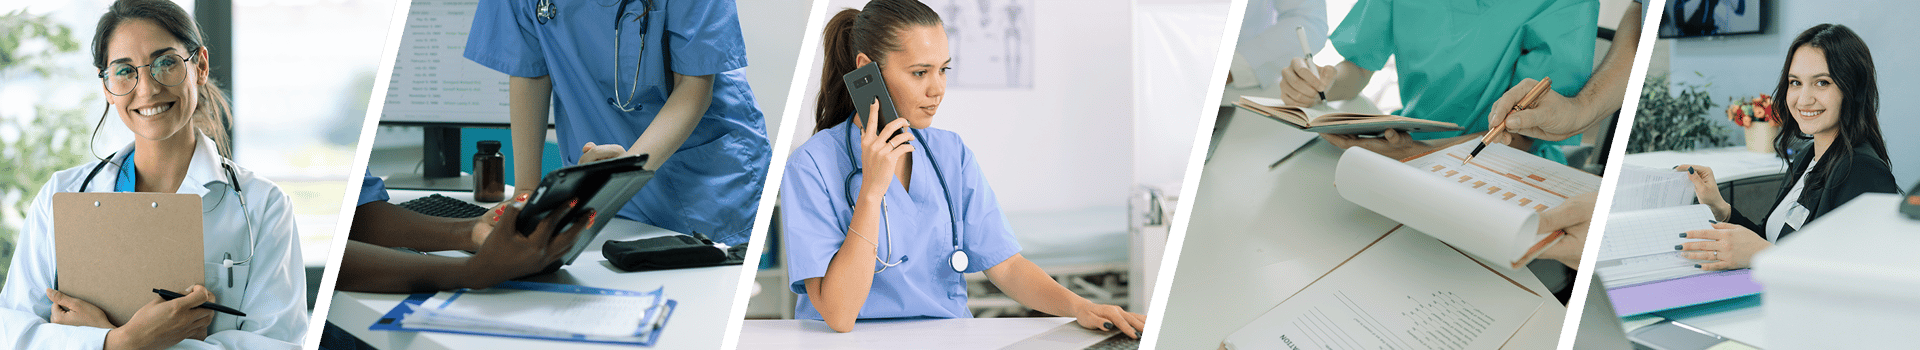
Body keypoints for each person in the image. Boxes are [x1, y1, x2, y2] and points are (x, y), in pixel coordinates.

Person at [779, 0, 1147, 338]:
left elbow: (1006, 266)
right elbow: (840, 316)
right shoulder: (811, 166)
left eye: (943, 70)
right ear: (867, 72)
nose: (937, 88)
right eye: (920, 72)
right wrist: (872, 191)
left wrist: (1081, 307)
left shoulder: (950, 152)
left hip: (948, 338)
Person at [0, 1, 306, 348]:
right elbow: (13, 333)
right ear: (106, 86)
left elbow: (277, 344)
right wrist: (122, 342)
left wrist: (111, 339)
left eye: (165, 63)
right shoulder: (63, 196)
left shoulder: (263, 207)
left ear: (200, 66)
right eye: (125, 71)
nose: (147, 89)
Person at [465, 0, 771, 247]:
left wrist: (621, 174)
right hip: (601, 179)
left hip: (701, 181)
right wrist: (527, 191)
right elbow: (529, 68)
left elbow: (693, 89)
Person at [1284, 0, 1646, 166]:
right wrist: (1324, 83)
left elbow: (1524, 135)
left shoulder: (1562, 4)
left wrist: (1418, 155)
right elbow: (1359, 66)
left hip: (1507, 160)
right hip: (1402, 142)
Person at [1676, 24, 1899, 271]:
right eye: (1795, 82)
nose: (1803, 98)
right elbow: (1771, 239)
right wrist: (1720, 208)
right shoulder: (1807, 157)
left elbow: (1858, 277)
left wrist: (1765, 254)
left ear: (1853, 89)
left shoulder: (1862, 169)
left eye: (1822, 83)